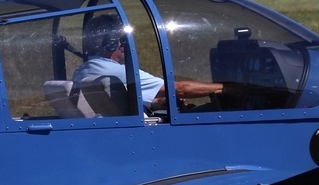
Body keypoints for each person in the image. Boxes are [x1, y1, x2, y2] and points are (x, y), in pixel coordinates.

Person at [72, 15, 223, 113]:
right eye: (121, 40)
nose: (125, 45)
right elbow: (178, 89)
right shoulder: (117, 72)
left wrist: (154, 104)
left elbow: (118, 103)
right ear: (111, 43)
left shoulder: (82, 71)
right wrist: (226, 88)